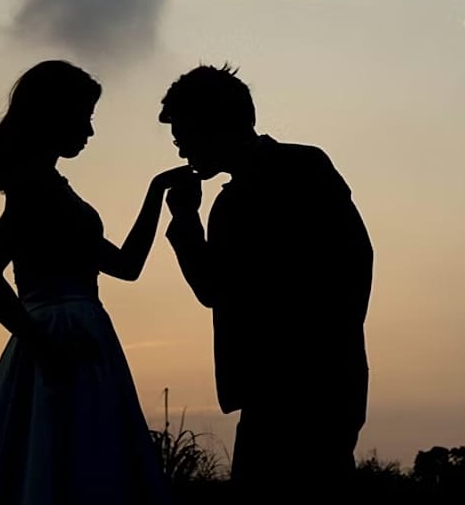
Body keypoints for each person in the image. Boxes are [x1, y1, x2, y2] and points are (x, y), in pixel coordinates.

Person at [0, 60, 183, 505]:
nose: (89, 131)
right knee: (67, 458)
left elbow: (126, 265)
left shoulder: (50, 189)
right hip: (61, 333)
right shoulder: (34, 188)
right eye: (83, 116)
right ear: (53, 116)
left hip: (78, 331)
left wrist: (156, 192)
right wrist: (44, 346)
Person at [159, 64, 373, 501]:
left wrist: (330, 344)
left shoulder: (304, 168)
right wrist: (186, 221)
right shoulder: (234, 201)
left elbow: (354, 260)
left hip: (313, 384)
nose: (180, 148)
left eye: (185, 135)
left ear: (214, 126)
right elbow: (214, 289)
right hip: (278, 388)